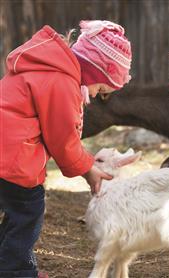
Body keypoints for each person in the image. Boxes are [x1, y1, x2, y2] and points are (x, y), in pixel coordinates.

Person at [0, 20, 132, 278]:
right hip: (13, 158)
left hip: (5, 152)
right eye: (101, 88)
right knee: (28, 212)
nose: (95, 95)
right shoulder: (62, 82)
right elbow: (63, 141)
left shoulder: (43, 65)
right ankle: (15, 271)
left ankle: (8, 264)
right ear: (95, 70)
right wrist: (88, 170)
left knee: (16, 214)